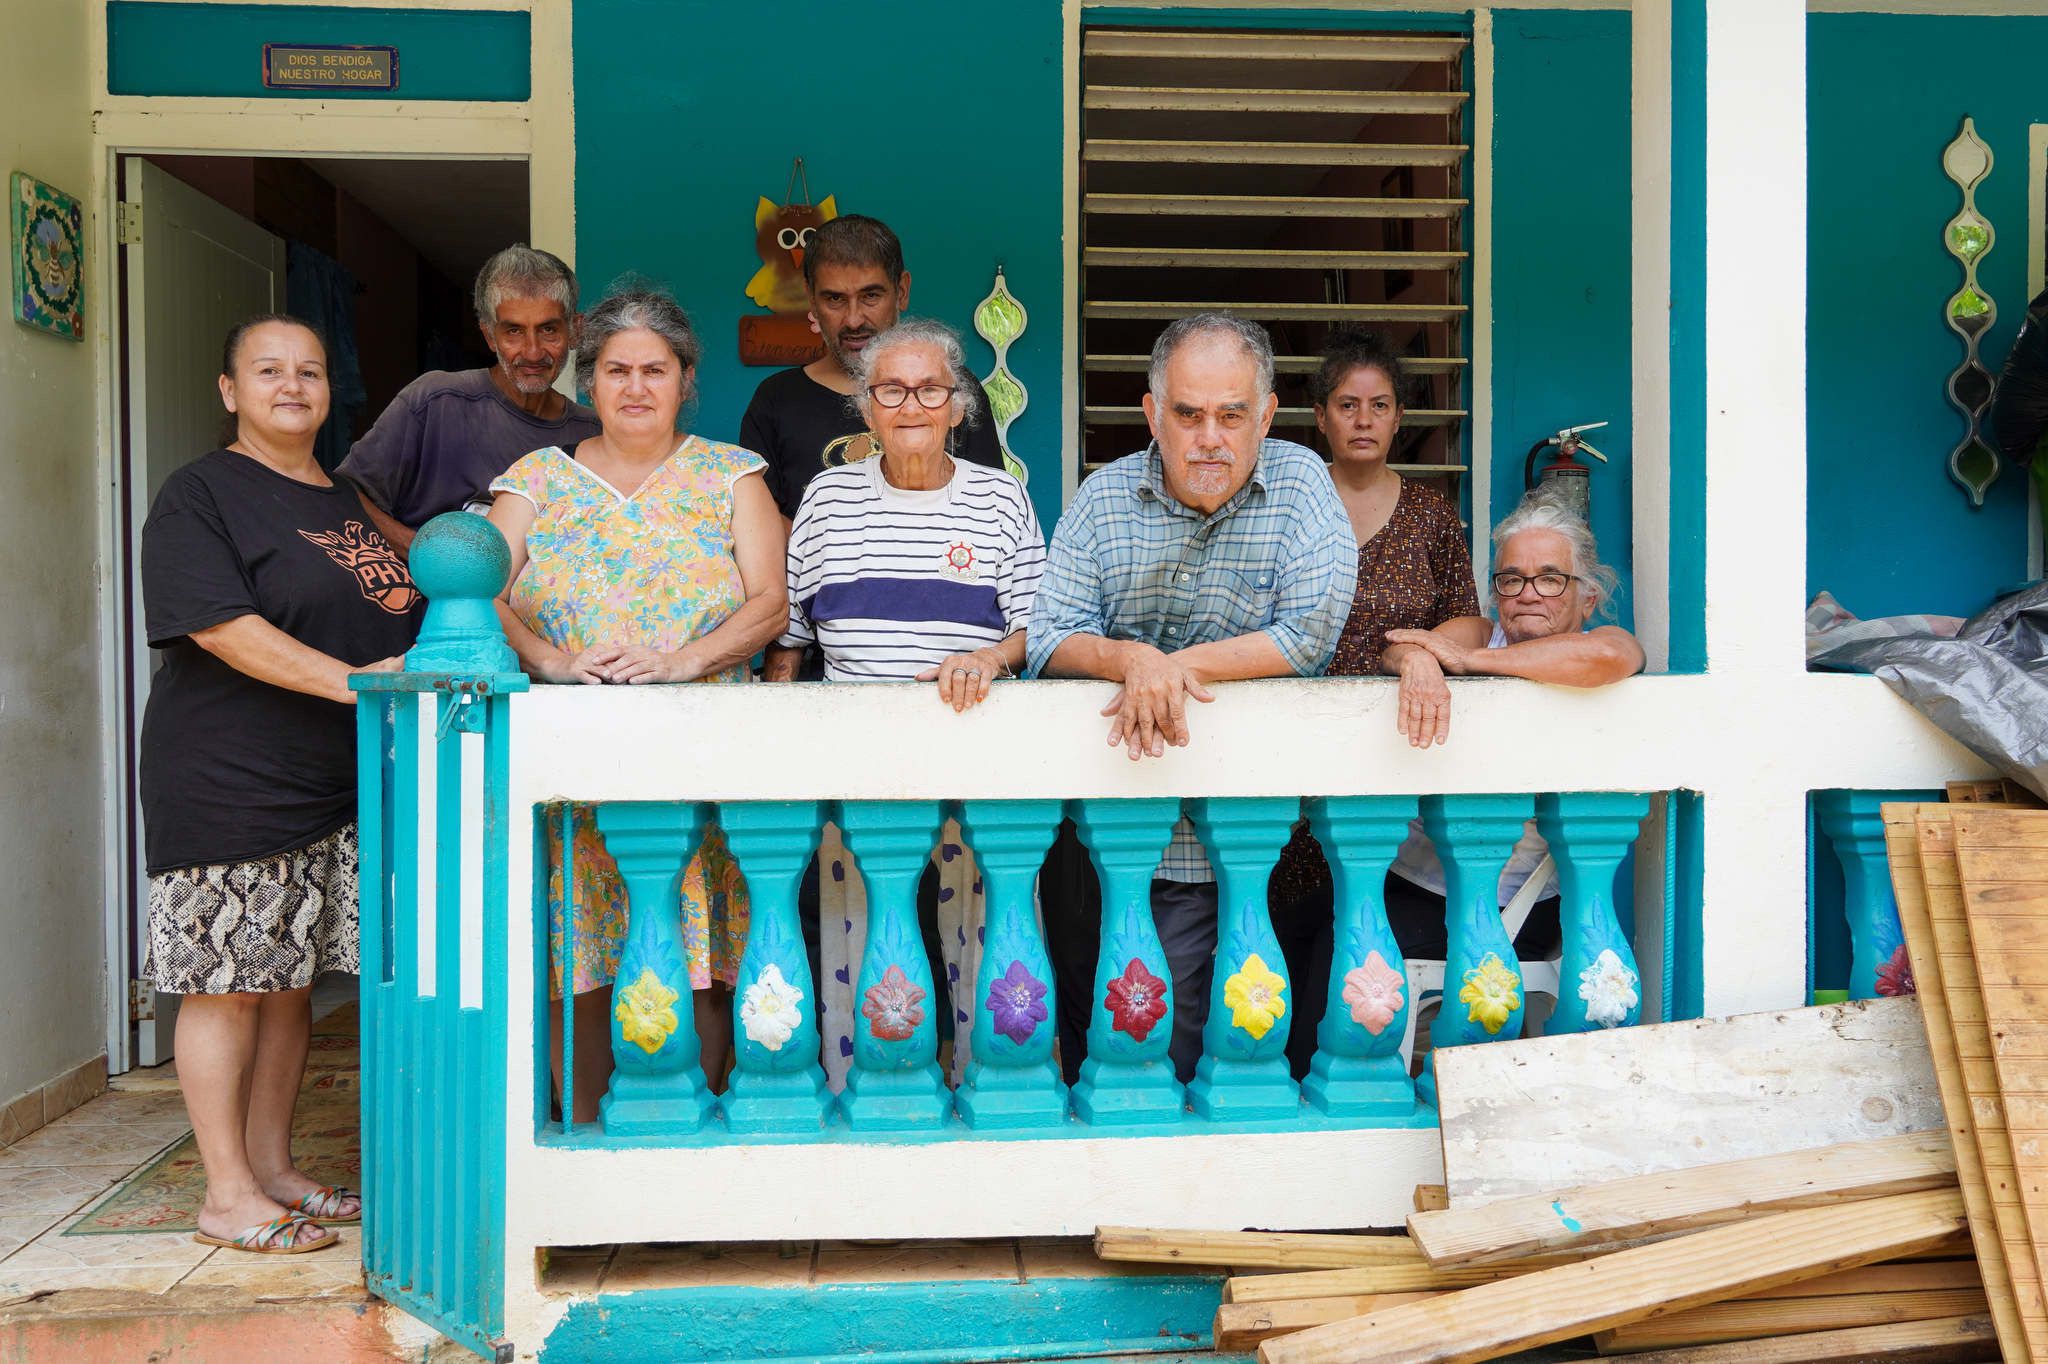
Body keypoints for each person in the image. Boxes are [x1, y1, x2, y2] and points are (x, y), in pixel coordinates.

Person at [140, 315, 419, 1255]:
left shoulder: (340, 497)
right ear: (230, 391)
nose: (291, 385)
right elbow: (221, 627)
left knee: (288, 984)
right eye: (268, 370)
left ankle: (271, 1170)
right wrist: (358, 684)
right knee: (224, 984)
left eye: (309, 370)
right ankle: (225, 1193)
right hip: (229, 778)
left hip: (329, 785)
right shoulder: (202, 494)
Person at [1027, 312, 1358, 1081]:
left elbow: (1310, 635)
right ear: (1152, 414)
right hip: (1103, 833)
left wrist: (1167, 669)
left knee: (1230, 1038)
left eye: (1232, 414)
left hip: (1246, 836)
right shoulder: (1104, 497)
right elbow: (1048, 640)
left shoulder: (1303, 484)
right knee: (1105, 1038)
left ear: (1266, 417)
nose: (1209, 436)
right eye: (1187, 413)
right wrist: (1128, 657)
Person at [485, 283, 788, 1117]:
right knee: (583, 940)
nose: (635, 387)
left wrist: (682, 661)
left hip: (699, 755)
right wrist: (552, 660)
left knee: (701, 943)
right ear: (589, 383)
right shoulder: (536, 480)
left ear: (687, 379)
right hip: (570, 762)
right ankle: (584, 1123)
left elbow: (770, 603)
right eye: (616, 370)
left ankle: (693, 1116)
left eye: (656, 369)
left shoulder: (732, 475)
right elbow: (481, 591)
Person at [764, 318, 1044, 1082]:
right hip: (854, 773)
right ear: (866, 404)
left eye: (930, 389)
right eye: (891, 389)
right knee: (859, 952)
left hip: (969, 763)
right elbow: (792, 639)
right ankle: (863, 1091)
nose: (911, 405)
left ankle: (976, 1089)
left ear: (959, 406)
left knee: (969, 945)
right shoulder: (825, 498)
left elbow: (1036, 630)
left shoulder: (999, 499)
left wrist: (987, 656)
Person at [1267, 328, 1487, 1075]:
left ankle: (1333, 1074)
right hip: (1284, 749)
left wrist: (1422, 648)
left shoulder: (1429, 515)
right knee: (1269, 926)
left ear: (1399, 418)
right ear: (1320, 417)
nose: (1364, 419)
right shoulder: (1283, 503)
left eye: (1380, 405)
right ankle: (1271, 1076)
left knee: (1353, 931)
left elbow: (1472, 617)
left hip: (1383, 760)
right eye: (1347, 404)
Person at [1374, 485, 1646, 966]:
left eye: (1550, 579)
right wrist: (1417, 658)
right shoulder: (1479, 632)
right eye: (1512, 579)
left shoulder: (1600, 640)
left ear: (1588, 597)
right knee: (1322, 940)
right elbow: (1399, 647)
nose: (1528, 594)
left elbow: (1612, 656)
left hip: (1526, 902)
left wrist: (1470, 663)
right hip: (1421, 881)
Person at [739, 214, 1007, 529]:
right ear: (811, 299)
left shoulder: (948, 389)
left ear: (902, 291)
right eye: (834, 299)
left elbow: (986, 507)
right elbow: (758, 523)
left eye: (870, 296)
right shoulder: (776, 401)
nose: (853, 320)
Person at [339, 244, 600, 552]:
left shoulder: (593, 434)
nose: (532, 351)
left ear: (574, 330)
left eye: (548, 330)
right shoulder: (436, 401)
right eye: (513, 331)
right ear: (489, 335)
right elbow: (346, 494)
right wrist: (426, 555)